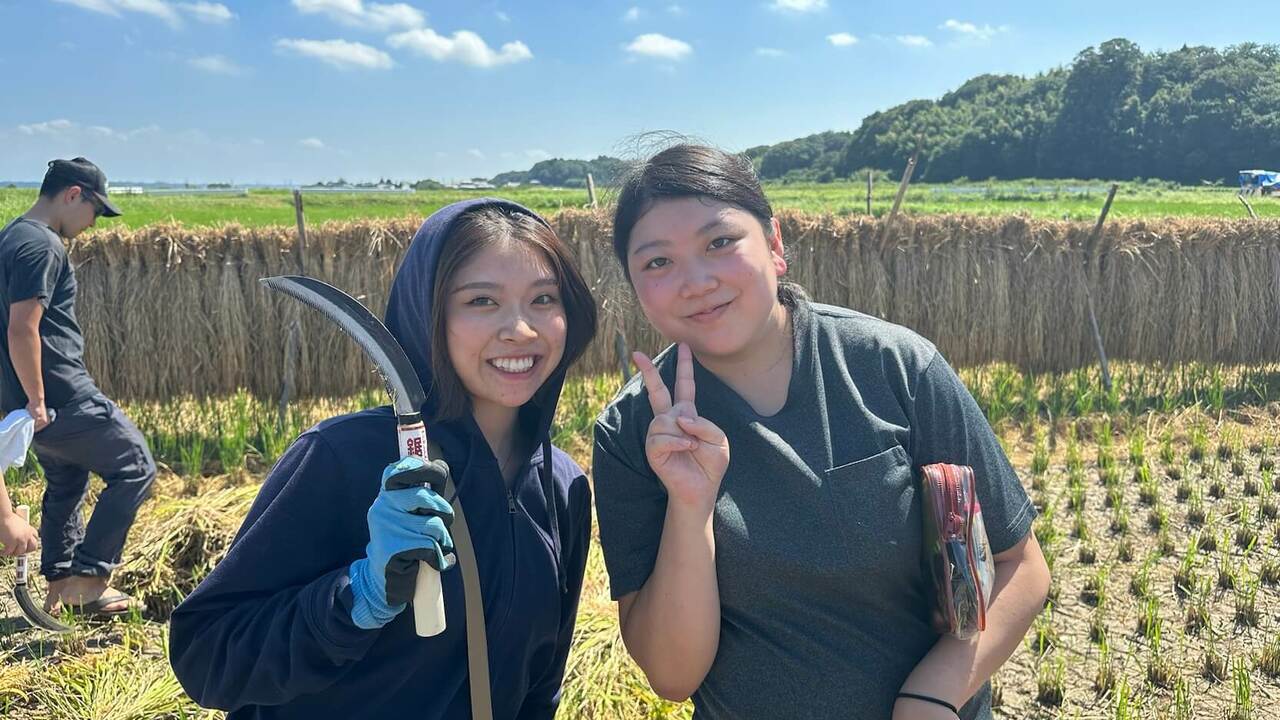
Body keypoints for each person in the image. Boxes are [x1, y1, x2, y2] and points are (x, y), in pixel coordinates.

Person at [592, 144, 1051, 720]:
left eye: (719, 242)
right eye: (658, 262)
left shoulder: (893, 367)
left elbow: (1020, 565)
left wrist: (931, 694)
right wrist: (690, 508)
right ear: (635, 286)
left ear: (775, 245)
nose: (697, 281)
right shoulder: (634, 429)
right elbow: (673, 675)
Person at [170, 198, 598, 719]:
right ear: (428, 313)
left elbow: (541, 682)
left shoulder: (563, 487)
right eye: (481, 301)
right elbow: (209, 656)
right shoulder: (343, 459)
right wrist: (357, 597)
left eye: (543, 299)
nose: (521, 329)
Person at [0, 157, 155, 617]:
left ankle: (60, 585)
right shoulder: (41, 245)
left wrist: (24, 405)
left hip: (30, 405)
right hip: (60, 393)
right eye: (95, 211)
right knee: (135, 465)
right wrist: (38, 399)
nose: (92, 225)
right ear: (73, 195)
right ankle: (89, 581)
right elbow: (22, 328)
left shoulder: (10, 236)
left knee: (68, 482)